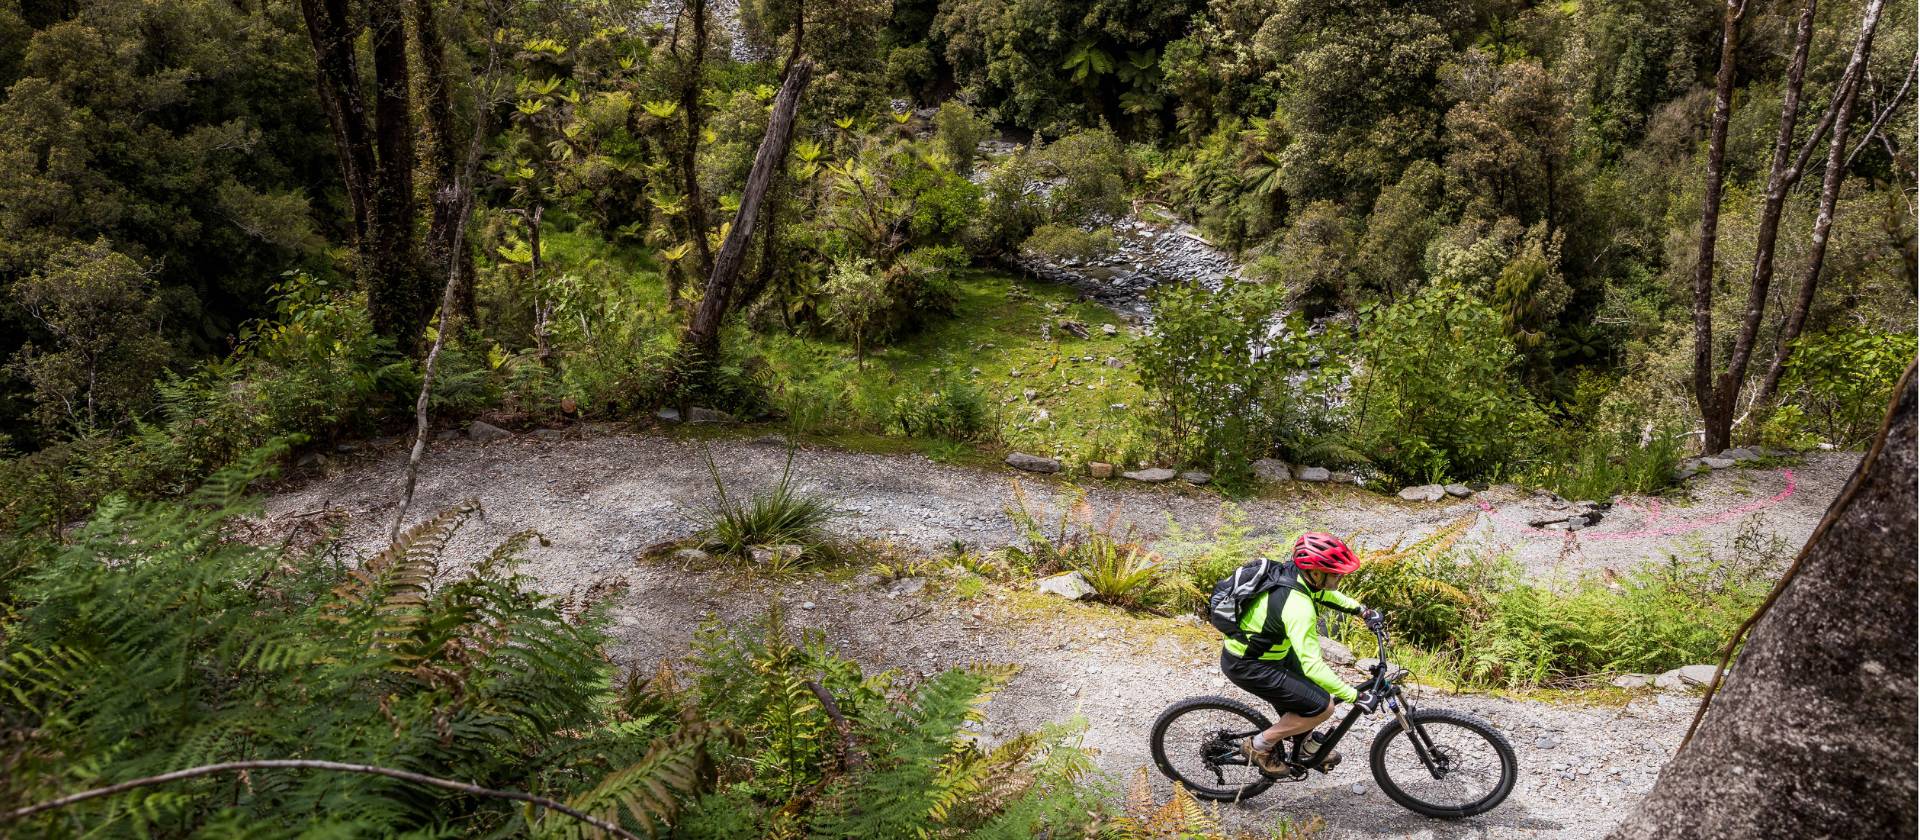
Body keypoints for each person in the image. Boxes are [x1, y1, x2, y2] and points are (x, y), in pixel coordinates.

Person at [1220, 531, 1379, 774]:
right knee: (1323, 707)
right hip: (1249, 664)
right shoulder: (1298, 608)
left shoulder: (1296, 574)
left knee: (1311, 694)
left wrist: (1361, 610)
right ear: (1315, 572)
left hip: (1269, 654)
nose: (1340, 577)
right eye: (1335, 573)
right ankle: (1258, 746)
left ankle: (1304, 746)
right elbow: (1313, 665)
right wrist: (1354, 696)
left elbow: (1324, 592)